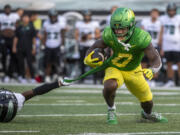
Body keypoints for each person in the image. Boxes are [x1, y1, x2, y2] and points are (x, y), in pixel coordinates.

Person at [84, 8, 168, 124]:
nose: (118, 32)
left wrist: (152, 69)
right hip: (115, 66)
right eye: (116, 28)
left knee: (147, 101)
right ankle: (111, 109)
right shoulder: (109, 34)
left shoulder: (141, 37)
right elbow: (94, 46)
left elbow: (155, 58)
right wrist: (88, 57)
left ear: (131, 25)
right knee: (110, 85)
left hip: (134, 70)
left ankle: (147, 115)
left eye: (122, 28)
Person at [0, 78, 69, 123]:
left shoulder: (15, 101)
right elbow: (36, 91)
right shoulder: (15, 101)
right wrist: (58, 83)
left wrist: (58, 83)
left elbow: (35, 91)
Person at [75, 10, 101, 83]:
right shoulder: (79, 24)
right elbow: (76, 35)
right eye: (85, 16)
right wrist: (81, 39)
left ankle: (95, 79)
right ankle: (82, 79)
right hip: (82, 45)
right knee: (82, 63)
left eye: (88, 16)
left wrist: (91, 36)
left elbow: (98, 35)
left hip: (91, 46)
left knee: (93, 62)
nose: (87, 17)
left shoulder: (94, 24)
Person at [159, 2, 180, 87]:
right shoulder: (163, 19)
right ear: (167, 11)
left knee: (179, 63)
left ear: (175, 11)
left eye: (173, 10)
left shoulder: (178, 18)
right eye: (170, 10)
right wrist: (161, 45)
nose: (171, 12)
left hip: (177, 44)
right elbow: (161, 31)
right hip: (166, 44)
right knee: (168, 63)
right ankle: (170, 80)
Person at [42, 9, 66, 83]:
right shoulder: (46, 23)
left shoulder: (60, 24)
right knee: (48, 63)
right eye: (51, 16)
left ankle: (59, 76)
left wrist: (62, 45)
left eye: (54, 16)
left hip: (57, 45)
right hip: (48, 45)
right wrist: (43, 44)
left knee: (58, 63)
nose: (53, 18)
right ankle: (47, 76)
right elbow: (45, 35)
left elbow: (62, 36)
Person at [12, 14, 37, 83]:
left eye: (27, 17)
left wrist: (34, 48)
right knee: (21, 63)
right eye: (24, 18)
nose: (25, 19)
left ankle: (32, 77)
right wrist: (14, 47)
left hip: (29, 48)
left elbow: (34, 38)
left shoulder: (32, 27)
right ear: (22, 19)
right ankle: (22, 77)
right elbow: (16, 38)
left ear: (29, 19)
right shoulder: (19, 27)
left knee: (30, 63)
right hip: (20, 47)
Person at [141, 9, 161, 87]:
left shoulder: (159, 23)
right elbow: (142, 32)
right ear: (150, 14)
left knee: (155, 63)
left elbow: (161, 34)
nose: (154, 15)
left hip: (155, 45)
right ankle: (143, 79)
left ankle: (153, 80)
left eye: (156, 13)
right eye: (153, 13)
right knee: (143, 63)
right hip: (146, 45)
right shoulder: (145, 21)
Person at [0, 4, 20, 83]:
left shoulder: (14, 16)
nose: (7, 10)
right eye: (6, 9)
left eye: (9, 9)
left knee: (13, 55)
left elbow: (17, 24)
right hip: (3, 38)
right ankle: (5, 73)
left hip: (12, 37)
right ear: (4, 9)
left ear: (10, 9)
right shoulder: (1, 16)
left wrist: (15, 32)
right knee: (4, 55)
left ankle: (10, 73)